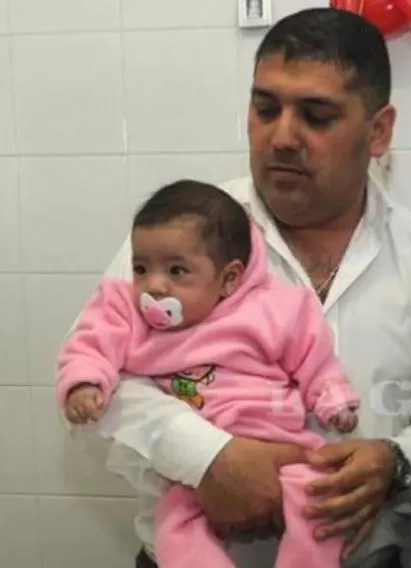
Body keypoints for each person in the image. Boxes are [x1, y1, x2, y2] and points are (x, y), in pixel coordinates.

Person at [69, 8, 411, 568]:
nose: (282, 137)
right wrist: (208, 457)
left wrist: (397, 461)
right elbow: (93, 381)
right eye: (266, 109)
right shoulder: (178, 239)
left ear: (378, 130)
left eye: (316, 115)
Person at [57, 180, 361, 568]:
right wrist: (85, 380)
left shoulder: (275, 307)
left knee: (317, 505)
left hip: (282, 444)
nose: (154, 285)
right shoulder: (126, 309)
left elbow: (314, 359)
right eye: (140, 268)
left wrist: (333, 398)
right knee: (177, 525)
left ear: (229, 278)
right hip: (193, 473)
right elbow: (92, 340)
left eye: (177, 270)